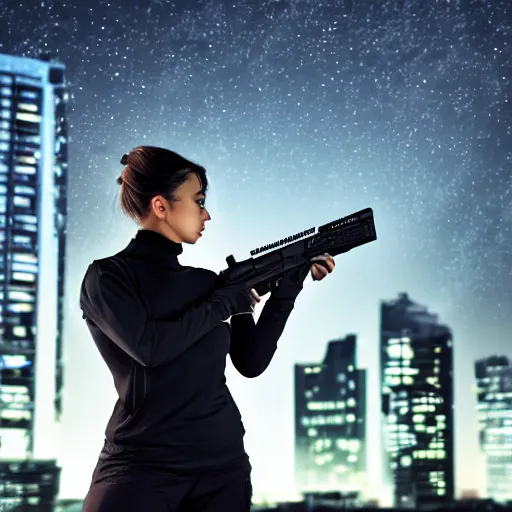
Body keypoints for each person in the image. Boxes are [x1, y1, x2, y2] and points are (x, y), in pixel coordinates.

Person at [79, 146, 335, 512]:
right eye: (198, 201)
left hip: (222, 469)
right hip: (139, 468)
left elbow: (251, 360)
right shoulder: (107, 278)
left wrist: (288, 288)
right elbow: (150, 348)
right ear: (161, 206)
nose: (207, 213)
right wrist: (225, 301)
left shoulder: (210, 284)